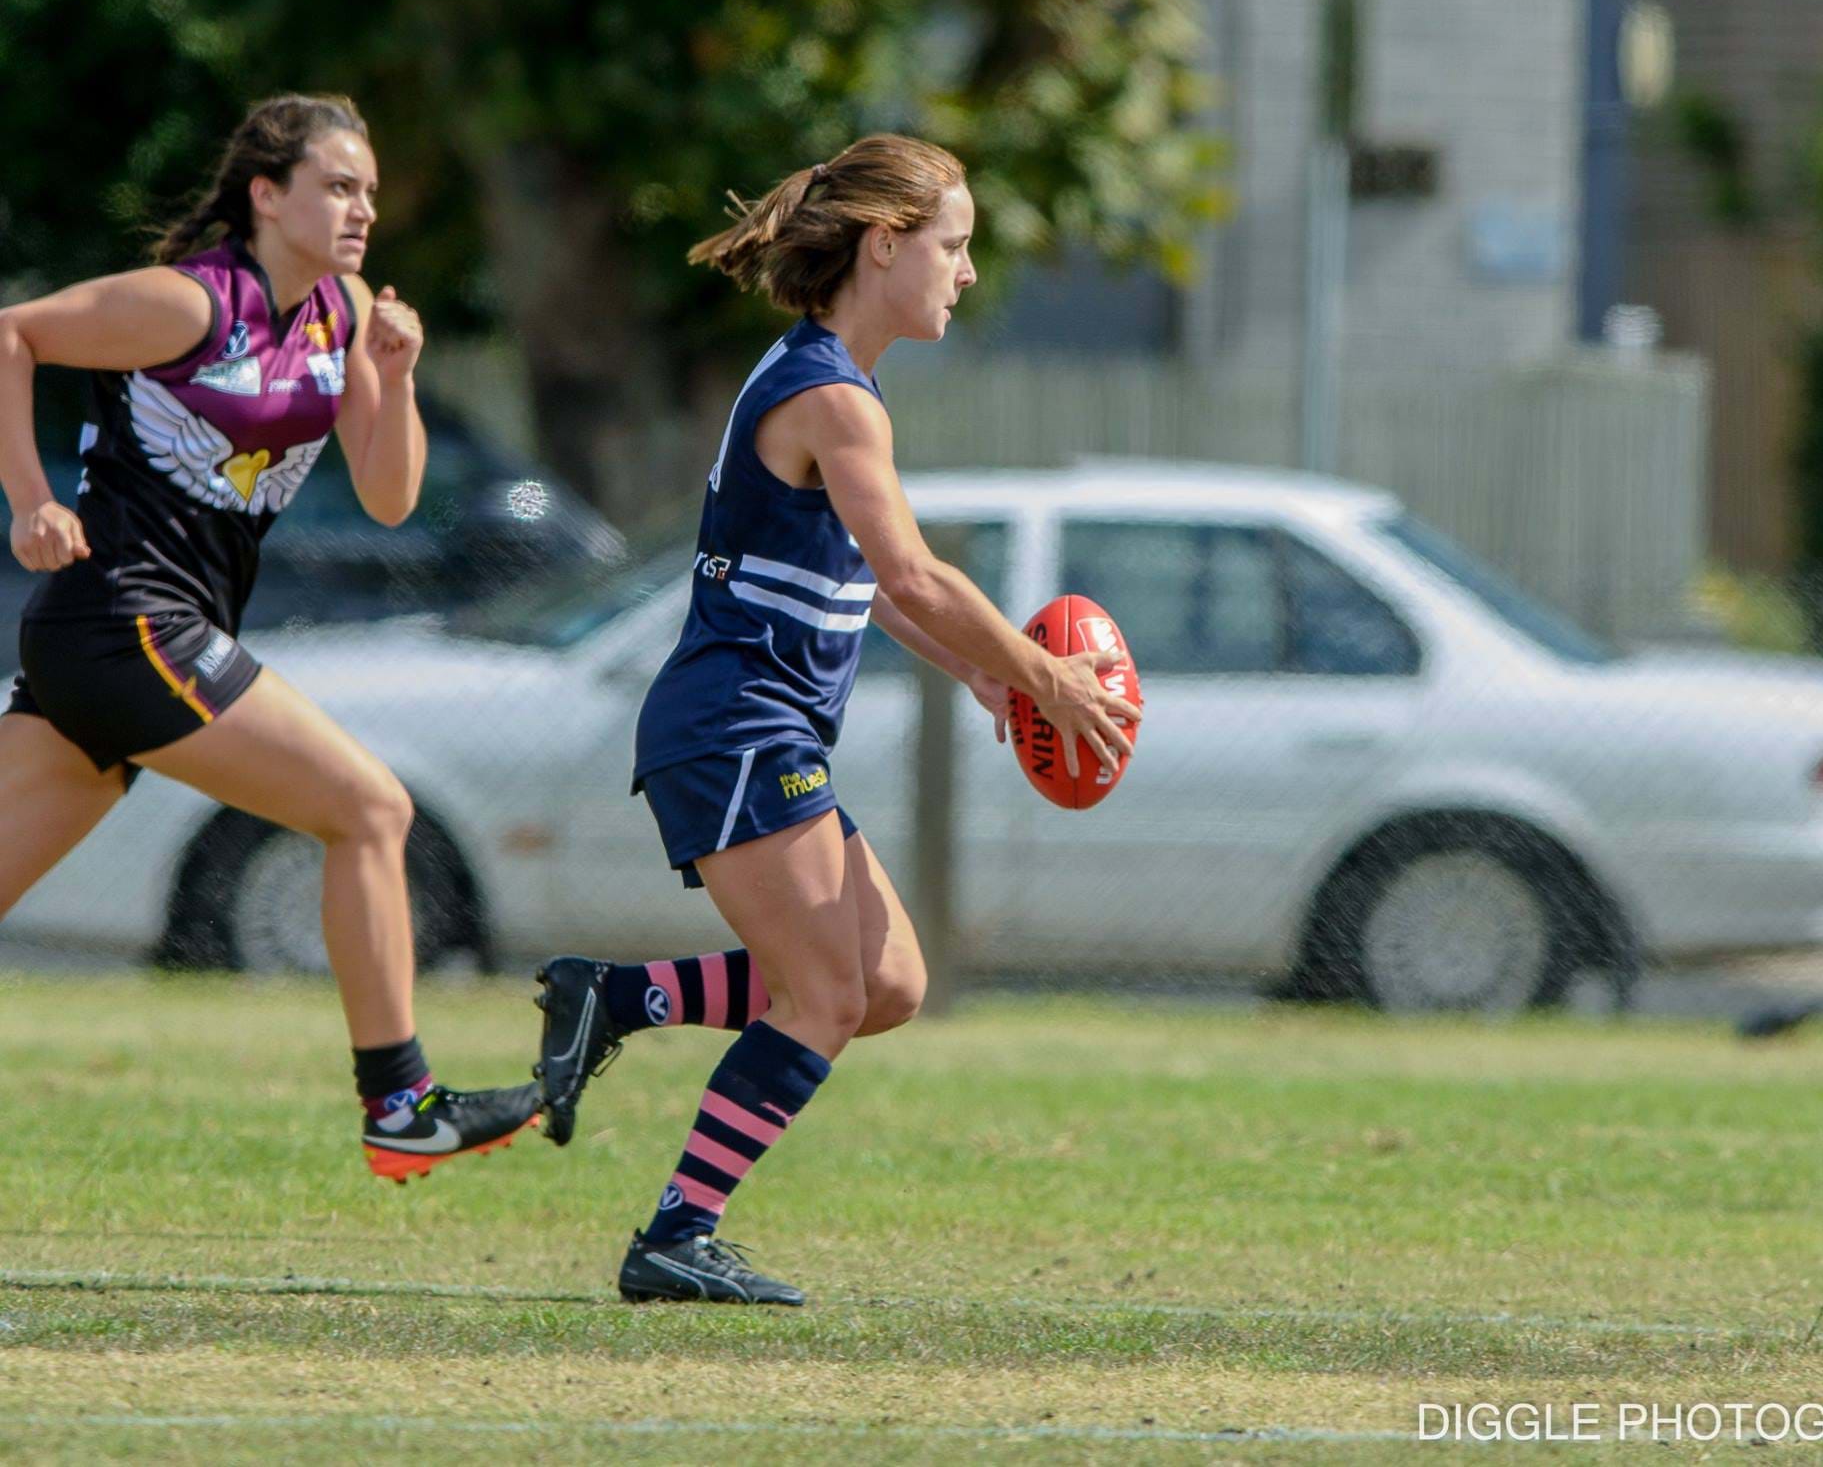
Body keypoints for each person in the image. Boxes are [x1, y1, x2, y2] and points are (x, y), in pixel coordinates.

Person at [533, 133, 1140, 1307]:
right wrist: (1042, 676)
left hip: (750, 728)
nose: (966, 272)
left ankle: (616, 997)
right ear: (884, 245)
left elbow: (868, 588)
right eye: (954, 246)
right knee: (823, 997)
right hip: (734, 727)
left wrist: (979, 672)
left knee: (887, 982)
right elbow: (913, 572)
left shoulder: (829, 381)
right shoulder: (828, 395)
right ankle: (676, 1237)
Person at [0, 93, 539, 1180]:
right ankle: (401, 1104)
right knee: (371, 809)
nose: (362, 210)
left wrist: (397, 376)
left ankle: (401, 1109)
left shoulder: (343, 312)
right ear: (266, 195)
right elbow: (11, 334)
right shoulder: (188, 304)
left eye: (368, 191)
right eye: (337, 186)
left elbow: (389, 496)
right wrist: (30, 500)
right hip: (127, 620)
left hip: (123, 639)